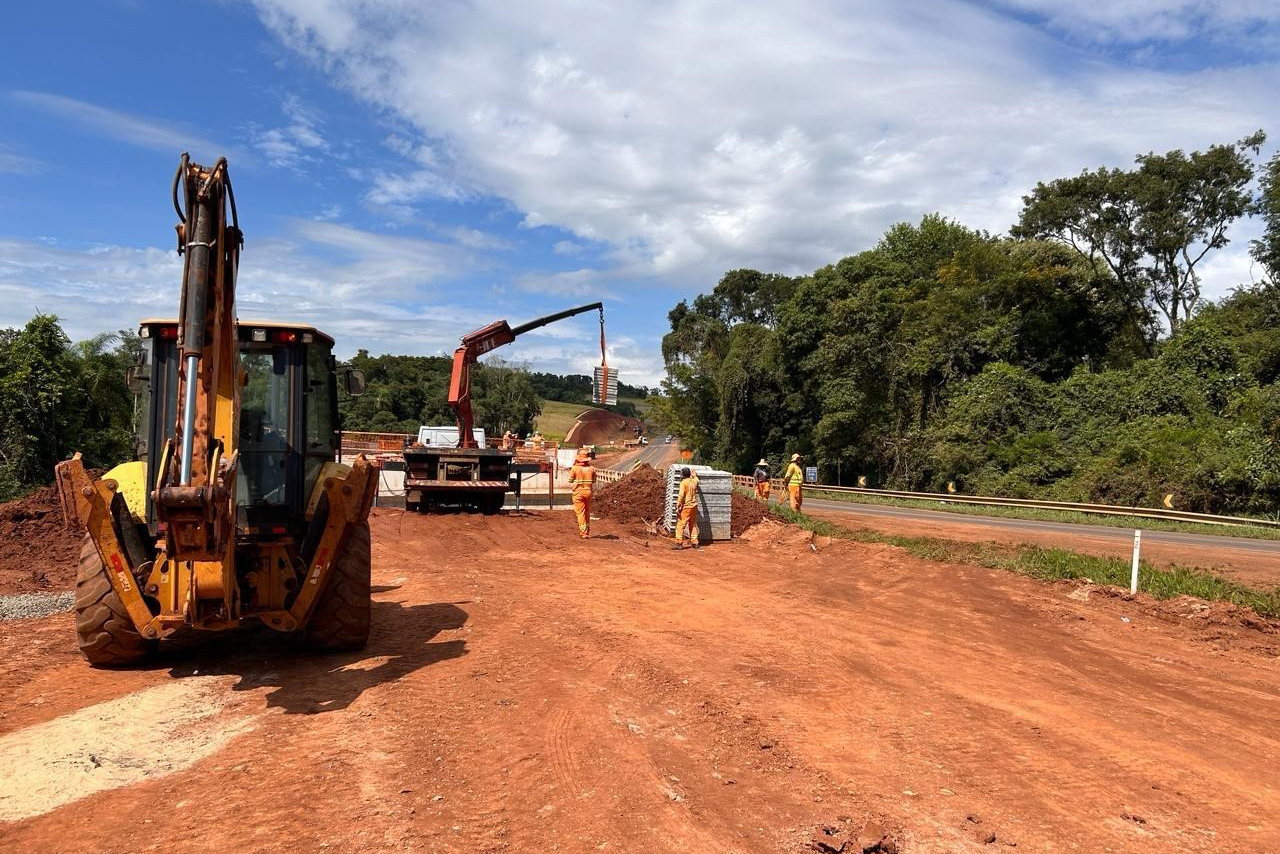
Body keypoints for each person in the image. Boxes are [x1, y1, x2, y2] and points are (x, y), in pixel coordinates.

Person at [568, 448, 596, 538]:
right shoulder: (592, 469)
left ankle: (583, 532)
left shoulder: (575, 468)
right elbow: (594, 480)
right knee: (587, 511)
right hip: (588, 491)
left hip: (578, 492)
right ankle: (587, 530)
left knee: (580, 512)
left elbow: (570, 480)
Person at [672, 466, 700, 550]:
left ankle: (679, 543)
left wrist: (677, 505)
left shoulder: (683, 483)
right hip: (694, 506)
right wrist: (694, 475)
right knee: (692, 524)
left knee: (681, 524)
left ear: (683, 475)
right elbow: (697, 480)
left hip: (687, 506)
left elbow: (681, 495)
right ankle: (695, 542)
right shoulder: (694, 481)